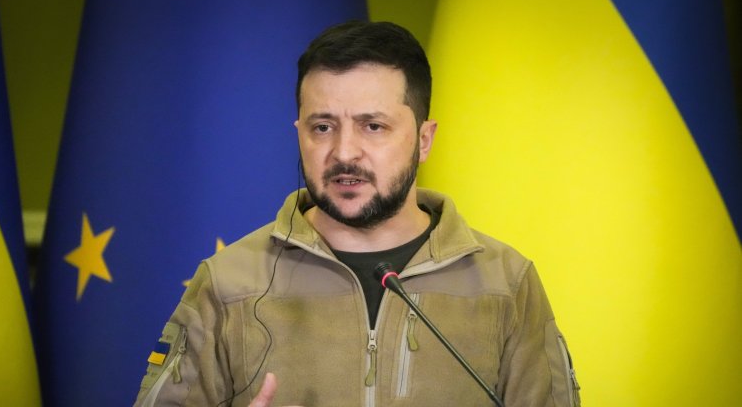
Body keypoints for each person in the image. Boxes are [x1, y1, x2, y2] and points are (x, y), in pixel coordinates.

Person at [134, 21, 580, 407]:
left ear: (424, 139)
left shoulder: (507, 284)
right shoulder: (227, 283)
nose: (344, 152)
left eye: (374, 126)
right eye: (322, 127)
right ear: (299, 134)